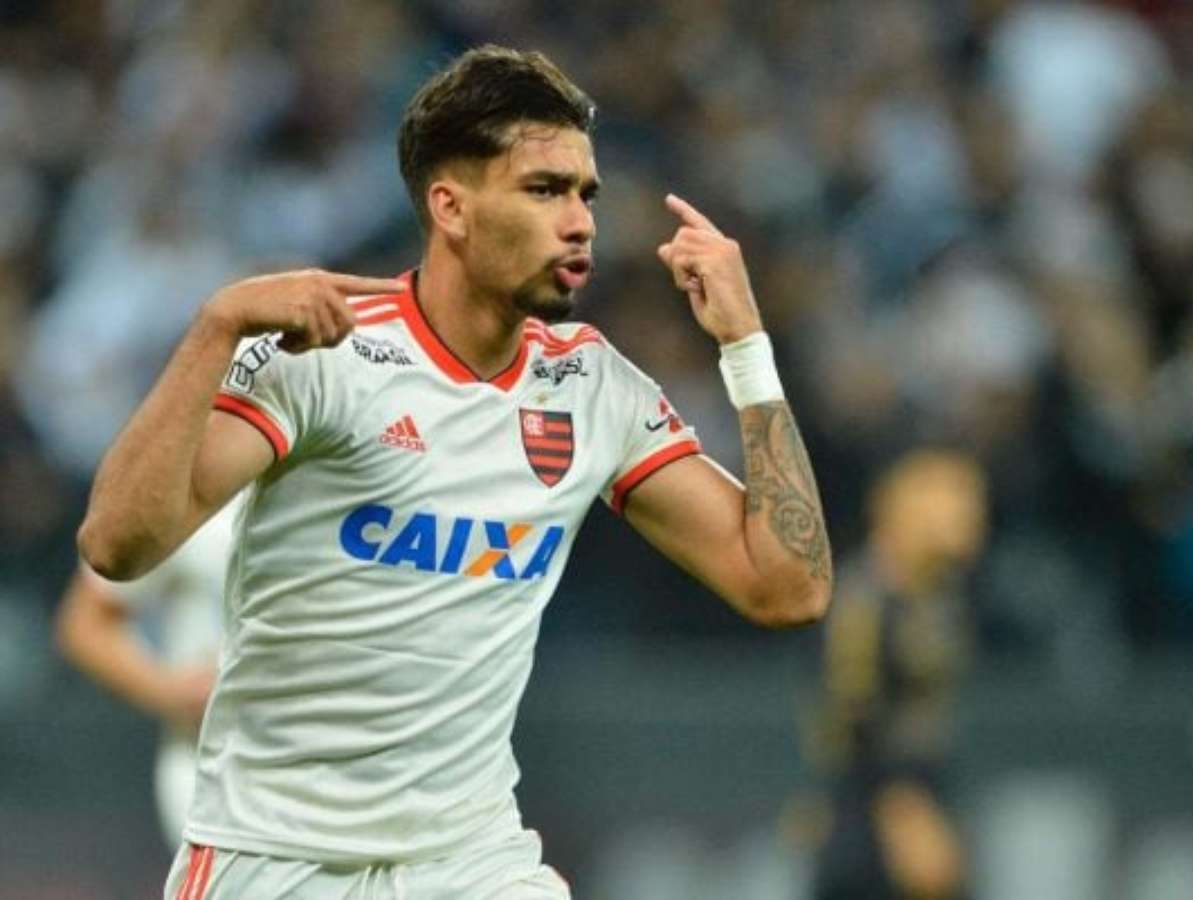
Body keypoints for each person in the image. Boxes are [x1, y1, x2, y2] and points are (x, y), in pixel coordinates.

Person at [77, 45, 833, 900]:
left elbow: (788, 588)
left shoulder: (590, 387)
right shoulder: (327, 353)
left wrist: (746, 347)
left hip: (471, 862)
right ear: (452, 207)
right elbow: (116, 545)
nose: (580, 222)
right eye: (544, 190)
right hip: (275, 856)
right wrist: (216, 327)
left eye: (585, 194)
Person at [810, 449, 987, 900]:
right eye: (953, 497)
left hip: (927, 783)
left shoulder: (940, 590)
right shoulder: (864, 597)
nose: (971, 512)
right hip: (875, 802)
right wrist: (899, 805)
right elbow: (847, 710)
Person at [54, 498, 238, 848]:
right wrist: (174, 694)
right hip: (217, 774)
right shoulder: (200, 489)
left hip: (344, 769)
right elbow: (86, 623)